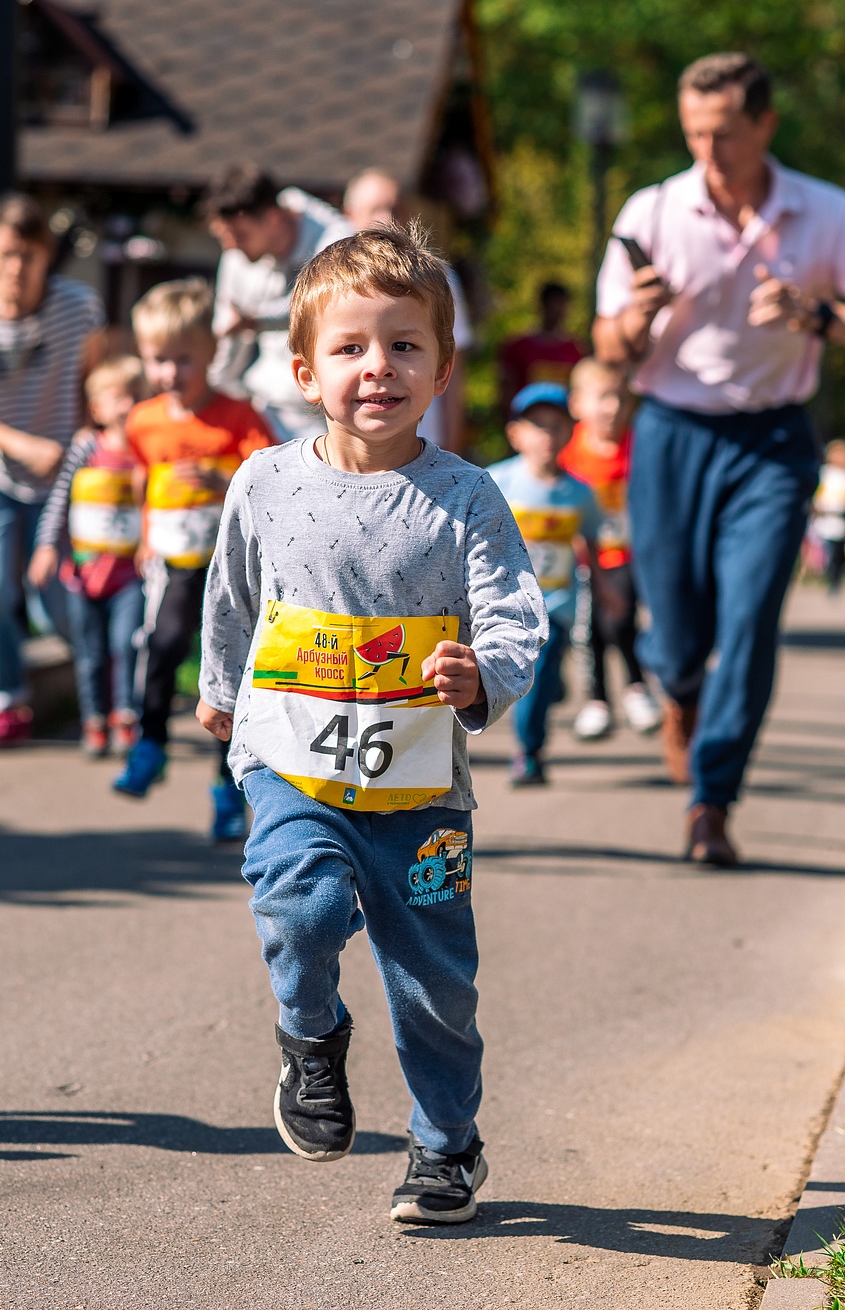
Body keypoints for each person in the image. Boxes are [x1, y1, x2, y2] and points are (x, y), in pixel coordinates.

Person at [195, 224, 545, 1224]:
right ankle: (310, 1035)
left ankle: (445, 1146)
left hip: (421, 786)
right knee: (299, 906)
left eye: (404, 345)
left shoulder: (466, 497)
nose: (377, 368)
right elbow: (231, 596)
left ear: (441, 368)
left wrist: (485, 673)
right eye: (350, 347)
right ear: (304, 369)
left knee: (435, 983)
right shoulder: (263, 482)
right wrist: (219, 689)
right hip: (288, 761)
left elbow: (517, 611)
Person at [593, 52, 845, 867]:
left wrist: (822, 316)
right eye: (694, 133)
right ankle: (678, 693)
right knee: (673, 633)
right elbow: (606, 346)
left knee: (749, 619)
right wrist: (637, 320)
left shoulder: (827, 213)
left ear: (764, 126)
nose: (708, 152)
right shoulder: (653, 210)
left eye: (725, 135)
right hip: (673, 430)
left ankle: (712, 798)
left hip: (775, 439)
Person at [112, 279, 274, 842]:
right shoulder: (144, 420)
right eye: (159, 360)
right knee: (161, 643)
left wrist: (218, 477)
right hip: (177, 562)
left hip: (230, 569)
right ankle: (150, 744)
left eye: (183, 359)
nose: (170, 373)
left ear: (210, 352)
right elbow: (142, 474)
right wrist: (143, 535)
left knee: (227, 675)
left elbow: (269, 481)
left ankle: (228, 790)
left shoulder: (237, 416)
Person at [0, 193, 106, 745]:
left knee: (67, 600)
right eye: (6, 255)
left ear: (45, 257)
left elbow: (94, 377)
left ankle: (103, 697)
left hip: (68, 477)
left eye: (27, 256)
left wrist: (91, 434)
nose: (16, 268)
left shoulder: (78, 305)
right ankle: (9, 700)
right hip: (4, 476)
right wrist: (20, 445)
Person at [488, 383, 614, 786]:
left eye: (556, 426)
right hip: (505, 607)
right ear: (515, 434)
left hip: (556, 607)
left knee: (540, 680)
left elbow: (591, 544)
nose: (546, 435)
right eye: (537, 426)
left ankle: (529, 752)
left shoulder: (580, 493)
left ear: (569, 434)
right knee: (529, 681)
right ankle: (529, 748)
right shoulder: (496, 482)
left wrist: (606, 589)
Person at [27, 356, 147, 756]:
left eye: (134, 396)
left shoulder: (143, 454)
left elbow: (153, 505)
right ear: (97, 407)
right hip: (82, 573)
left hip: (128, 574)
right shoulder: (85, 449)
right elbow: (59, 499)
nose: (127, 405)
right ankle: (94, 721)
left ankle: (126, 716)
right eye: (117, 398)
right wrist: (46, 546)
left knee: (125, 644)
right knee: (90, 653)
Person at [205, 162, 353, 442]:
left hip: (327, 417)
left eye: (239, 235)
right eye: (224, 235)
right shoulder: (238, 250)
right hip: (262, 409)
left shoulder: (338, 241)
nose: (230, 246)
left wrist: (255, 319)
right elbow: (230, 334)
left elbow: (324, 305)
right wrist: (213, 395)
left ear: (273, 218)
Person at [559, 358, 660, 739]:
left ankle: (635, 687)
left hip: (631, 553)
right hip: (585, 555)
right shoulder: (571, 451)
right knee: (590, 629)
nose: (613, 408)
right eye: (603, 398)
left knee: (618, 619)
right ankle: (598, 699)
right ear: (578, 404)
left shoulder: (639, 446)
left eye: (620, 398)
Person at [343, 167, 475, 451]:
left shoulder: (437, 277)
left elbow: (454, 363)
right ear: (349, 214)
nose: (388, 218)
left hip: (424, 445)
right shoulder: (330, 282)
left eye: (395, 208)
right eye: (377, 208)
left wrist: (451, 448)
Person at [498, 281, 588, 417]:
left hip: (565, 422)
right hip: (526, 419)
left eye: (561, 305)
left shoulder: (576, 349)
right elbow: (506, 390)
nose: (557, 311)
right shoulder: (517, 347)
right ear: (541, 306)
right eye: (552, 304)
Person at [810, 439, 845, 593]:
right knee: (827, 551)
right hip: (827, 519)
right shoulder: (826, 473)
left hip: (843, 519)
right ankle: (830, 579)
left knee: (839, 552)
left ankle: (837, 579)